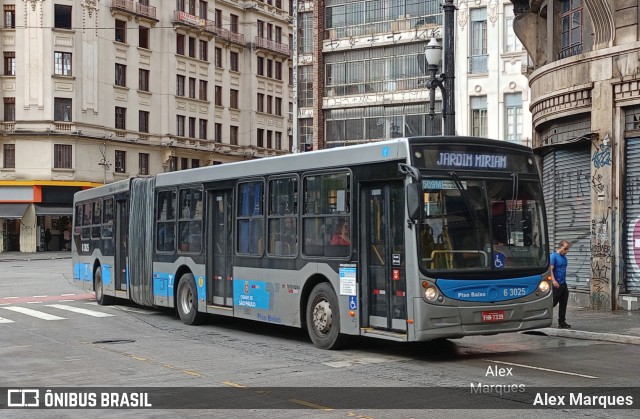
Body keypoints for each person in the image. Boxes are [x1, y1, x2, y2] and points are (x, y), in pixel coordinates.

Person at [551, 240, 571, 328]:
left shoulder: (564, 258)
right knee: (553, 302)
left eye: (567, 249)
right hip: (556, 284)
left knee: (563, 302)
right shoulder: (553, 256)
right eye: (565, 249)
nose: (566, 251)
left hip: (563, 284)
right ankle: (539, 317)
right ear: (560, 247)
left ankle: (562, 321)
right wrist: (554, 281)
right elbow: (550, 270)